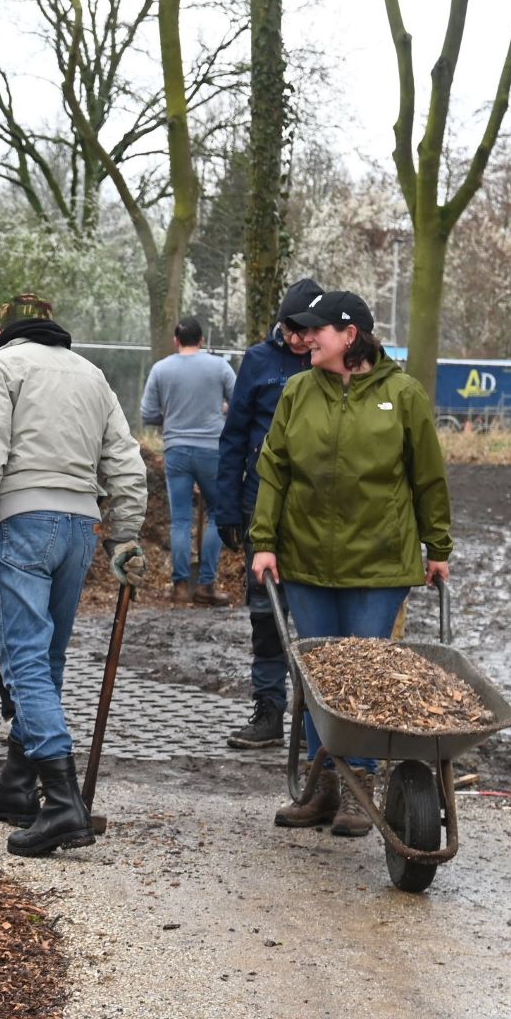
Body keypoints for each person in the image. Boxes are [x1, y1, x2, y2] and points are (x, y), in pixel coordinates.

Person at [0, 293, 148, 857]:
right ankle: (17, 784)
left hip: (22, 523)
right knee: (47, 657)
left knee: (25, 661)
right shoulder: (91, 374)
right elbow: (125, 460)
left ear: (3, 332)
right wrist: (125, 533)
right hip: (80, 527)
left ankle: (61, 802)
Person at [248, 290, 452, 837]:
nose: (304, 338)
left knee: (362, 675)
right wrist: (264, 540)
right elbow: (274, 469)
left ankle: (359, 786)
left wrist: (438, 548)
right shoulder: (298, 391)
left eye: (315, 330)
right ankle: (323, 784)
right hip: (306, 557)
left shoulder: (402, 395)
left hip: (379, 563)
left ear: (350, 335)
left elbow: (428, 476)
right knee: (318, 674)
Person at [214, 279, 321, 749]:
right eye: (291, 330)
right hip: (260, 504)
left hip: (314, 510)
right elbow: (234, 436)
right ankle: (269, 709)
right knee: (265, 614)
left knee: (315, 614)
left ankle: (316, 718)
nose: (299, 339)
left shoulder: (328, 361)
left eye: (306, 331)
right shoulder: (258, 362)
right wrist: (227, 505)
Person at [139, 316, 236, 606]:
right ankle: (206, 585)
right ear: (202, 340)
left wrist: (172, 417)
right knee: (217, 515)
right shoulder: (219, 367)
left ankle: (180, 587)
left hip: (177, 450)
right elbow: (239, 401)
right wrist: (221, 411)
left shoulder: (161, 369)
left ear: (176, 341)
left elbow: (148, 413)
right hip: (212, 450)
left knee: (180, 520)